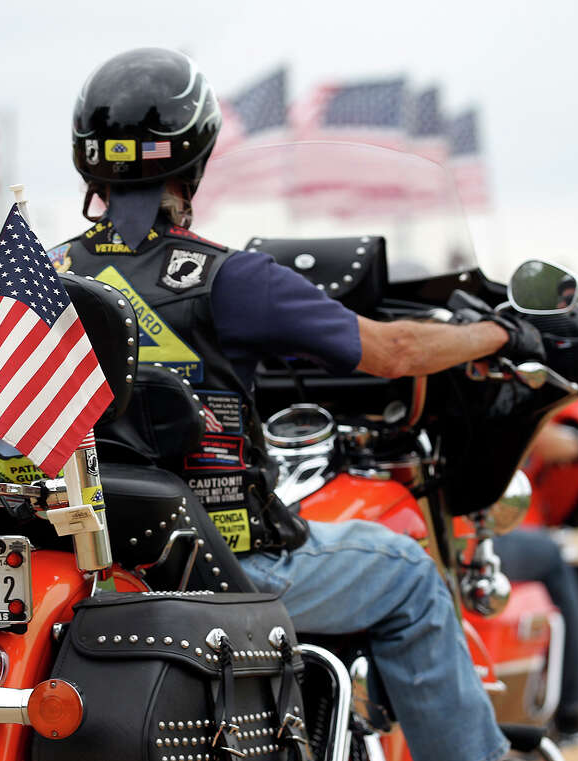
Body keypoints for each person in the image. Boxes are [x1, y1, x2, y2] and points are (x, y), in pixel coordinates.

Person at [46, 49, 551, 761]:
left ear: (87, 162)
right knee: (407, 572)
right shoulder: (226, 278)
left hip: (77, 552)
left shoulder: (41, 275)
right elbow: (394, 353)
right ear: (195, 157)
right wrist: (501, 330)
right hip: (217, 562)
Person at [495, 424, 578, 739]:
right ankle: (576, 704)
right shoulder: (452, 388)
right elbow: (539, 434)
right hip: (454, 536)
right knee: (551, 555)